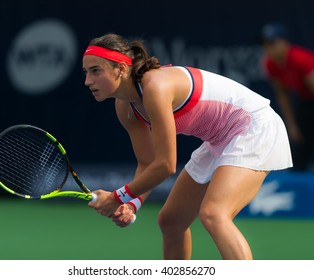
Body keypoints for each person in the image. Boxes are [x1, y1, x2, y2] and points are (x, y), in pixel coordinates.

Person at [82, 33, 292, 260]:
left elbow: (166, 165)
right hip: (220, 140)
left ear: (121, 69)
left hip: (254, 126)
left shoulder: (155, 86)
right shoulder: (125, 108)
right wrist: (131, 204)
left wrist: (118, 196)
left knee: (214, 214)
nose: (88, 81)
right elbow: (149, 163)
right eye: (86, 72)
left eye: (96, 71)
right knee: (171, 221)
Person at [261, 22, 314, 171]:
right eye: (265, 44)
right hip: (305, 102)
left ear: (285, 42)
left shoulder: (301, 59)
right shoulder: (271, 64)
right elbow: (282, 94)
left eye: (272, 43)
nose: (268, 48)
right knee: (300, 143)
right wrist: (291, 125)